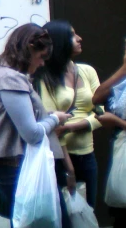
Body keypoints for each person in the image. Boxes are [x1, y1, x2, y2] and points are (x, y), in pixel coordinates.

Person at [0, 23, 71, 225]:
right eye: (41, 57)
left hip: (16, 167)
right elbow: (32, 133)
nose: (42, 64)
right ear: (29, 48)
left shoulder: (1, 75)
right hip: (21, 168)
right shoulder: (11, 80)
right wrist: (55, 119)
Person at [34, 20, 101, 207]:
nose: (79, 39)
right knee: (65, 216)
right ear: (59, 41)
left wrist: (74, 126)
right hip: (59, 158)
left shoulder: (87, 71)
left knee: (87, 211)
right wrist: (69, 168)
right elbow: (52, 123)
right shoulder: (44, 77)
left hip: (88, 154)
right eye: (72, 35)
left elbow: (102, 111)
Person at [92, 43, 126, 227]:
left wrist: (117, 122)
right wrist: (123, 70)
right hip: (122, 148)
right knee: (120, 209)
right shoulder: (123, 81)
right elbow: (97, 98)